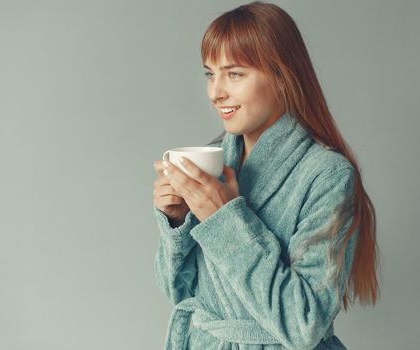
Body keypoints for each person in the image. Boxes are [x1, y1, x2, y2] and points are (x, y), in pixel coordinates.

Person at [152, 1, 379, 349]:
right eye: (210, 74)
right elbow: (179, 292)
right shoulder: (216, 161)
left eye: (234, 73)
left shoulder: (327, 175)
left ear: (282, 75)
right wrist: (177, 223)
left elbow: (304, 323)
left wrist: (223, 218)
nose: (216, 92)